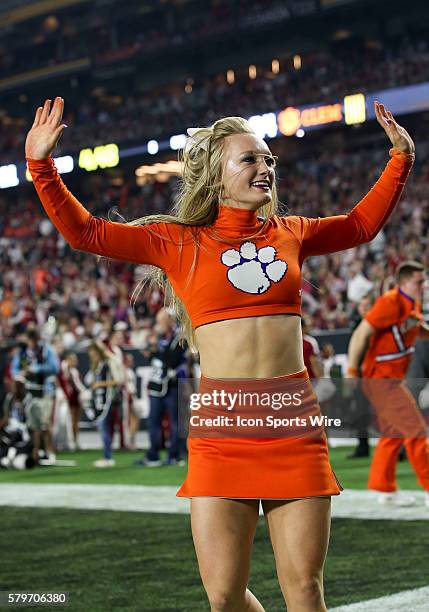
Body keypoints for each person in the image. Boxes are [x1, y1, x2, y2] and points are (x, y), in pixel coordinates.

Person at [26, 96, 414, 611]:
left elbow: (361, 225)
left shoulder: (291, 233)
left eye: (269, 159)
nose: (265, 167)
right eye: (250, 159)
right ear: (215, 174)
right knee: (224, 596)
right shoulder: (178, 242)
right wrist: (41, 166)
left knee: (304, 590)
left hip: (290, 422)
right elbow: (87, 232)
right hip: (221, 427)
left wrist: (400, 158)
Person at [347, 261, 429, 509]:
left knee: (392, 434)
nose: (423, 285)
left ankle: (384, 489)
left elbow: (415, 327)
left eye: (423, 281)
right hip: (381, 381)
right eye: (419, 281)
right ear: (404, 282)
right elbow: (361, 333)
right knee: (415, 431)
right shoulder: (390, 302)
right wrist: (352, 371)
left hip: (390, 380)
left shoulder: (409, 302)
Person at [137, 307, 187, 466]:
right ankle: (154, 454)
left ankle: (175, 455)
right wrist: (153, 347)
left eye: (162, 321)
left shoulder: (180, 337)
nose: (159, 324)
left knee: (175, 421)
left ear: (170, 320)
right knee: (153, 420)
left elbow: (173, 360)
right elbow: (148, 353)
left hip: (172, 384)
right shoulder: (158, 338)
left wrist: (158, 348)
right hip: (156, 383)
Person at [10, 328, 59, 464]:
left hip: (44, 391)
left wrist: (36, 368)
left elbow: (55, 367)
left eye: (31, 341)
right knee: (33, 425)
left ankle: (50, 452)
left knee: (45, 423)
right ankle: (36, 452)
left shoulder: (46, 350)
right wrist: (21, 373)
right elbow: (14, 369)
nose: (30, 344)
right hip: (29, 392)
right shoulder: (23, 353)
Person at [86, 341, 123, 467]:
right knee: (103, 428)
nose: (92, 356)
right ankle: (107, 455)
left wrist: (100, 384)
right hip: (99, 400)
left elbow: (118, 380)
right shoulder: (98, 365)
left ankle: (108, 457)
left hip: (107, 399)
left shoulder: (108, 363)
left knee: (103, 427)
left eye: (94, 353)